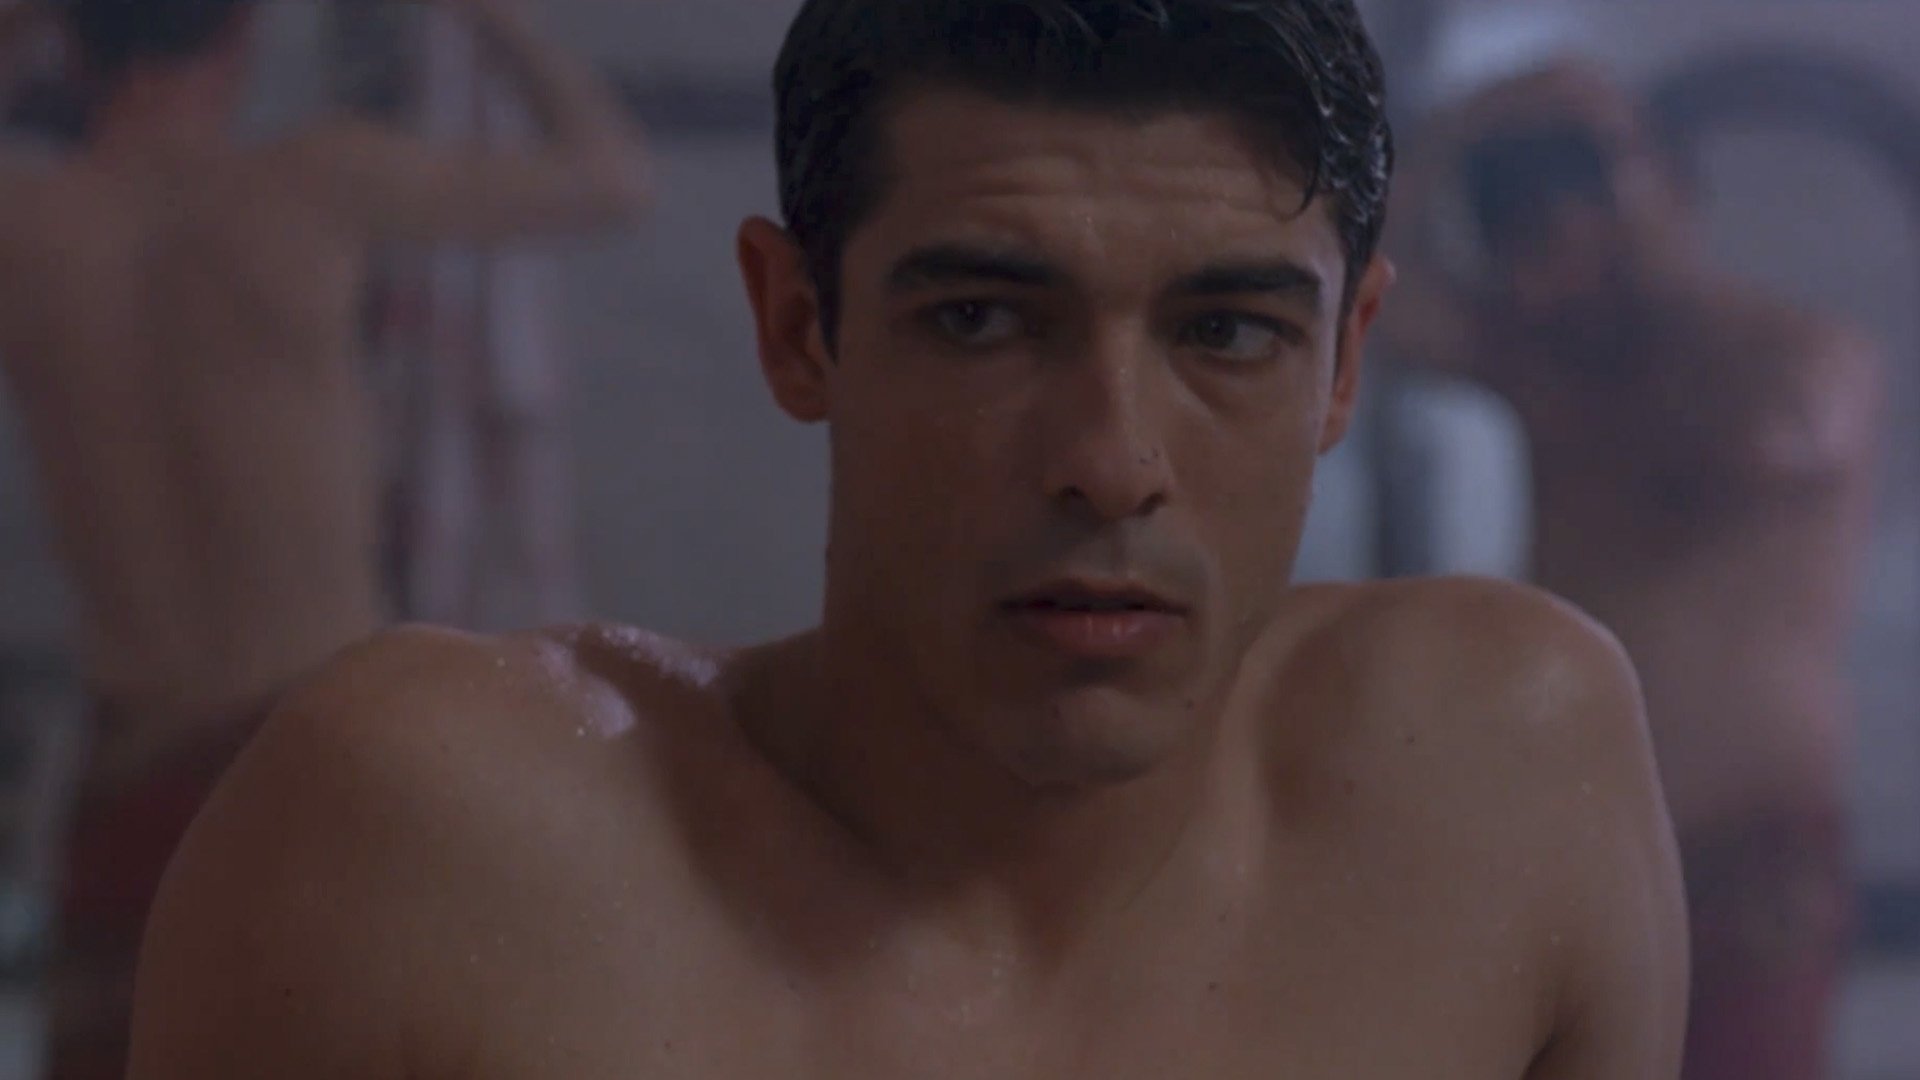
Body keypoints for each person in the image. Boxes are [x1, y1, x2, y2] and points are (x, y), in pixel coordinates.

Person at [130, 3, 1687, 1077]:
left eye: (1226, 332)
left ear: (1346, 360)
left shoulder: (1503, 778)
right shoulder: (425, 843)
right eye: (983, 319)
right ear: (796, 323)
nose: (1111, 463)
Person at [0, 0, 651, 1073]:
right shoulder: (312, 181)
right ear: (241, 37)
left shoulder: (26, 229)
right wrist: (493, 20)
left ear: (71, 42)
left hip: (135, 769)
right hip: (319, 750)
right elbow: (613, 178)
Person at [1378, 60, 1885, 1080]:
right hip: (1572, 826)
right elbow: (1370, 302)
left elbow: (1776, 436)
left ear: (1660, 210)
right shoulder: (1541, 362)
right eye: (1529, 239)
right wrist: (1452, 133)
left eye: (1569, 231)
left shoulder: (1803, 359)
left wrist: (1644, 233)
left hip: (1750, 861)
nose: (1549, 267)